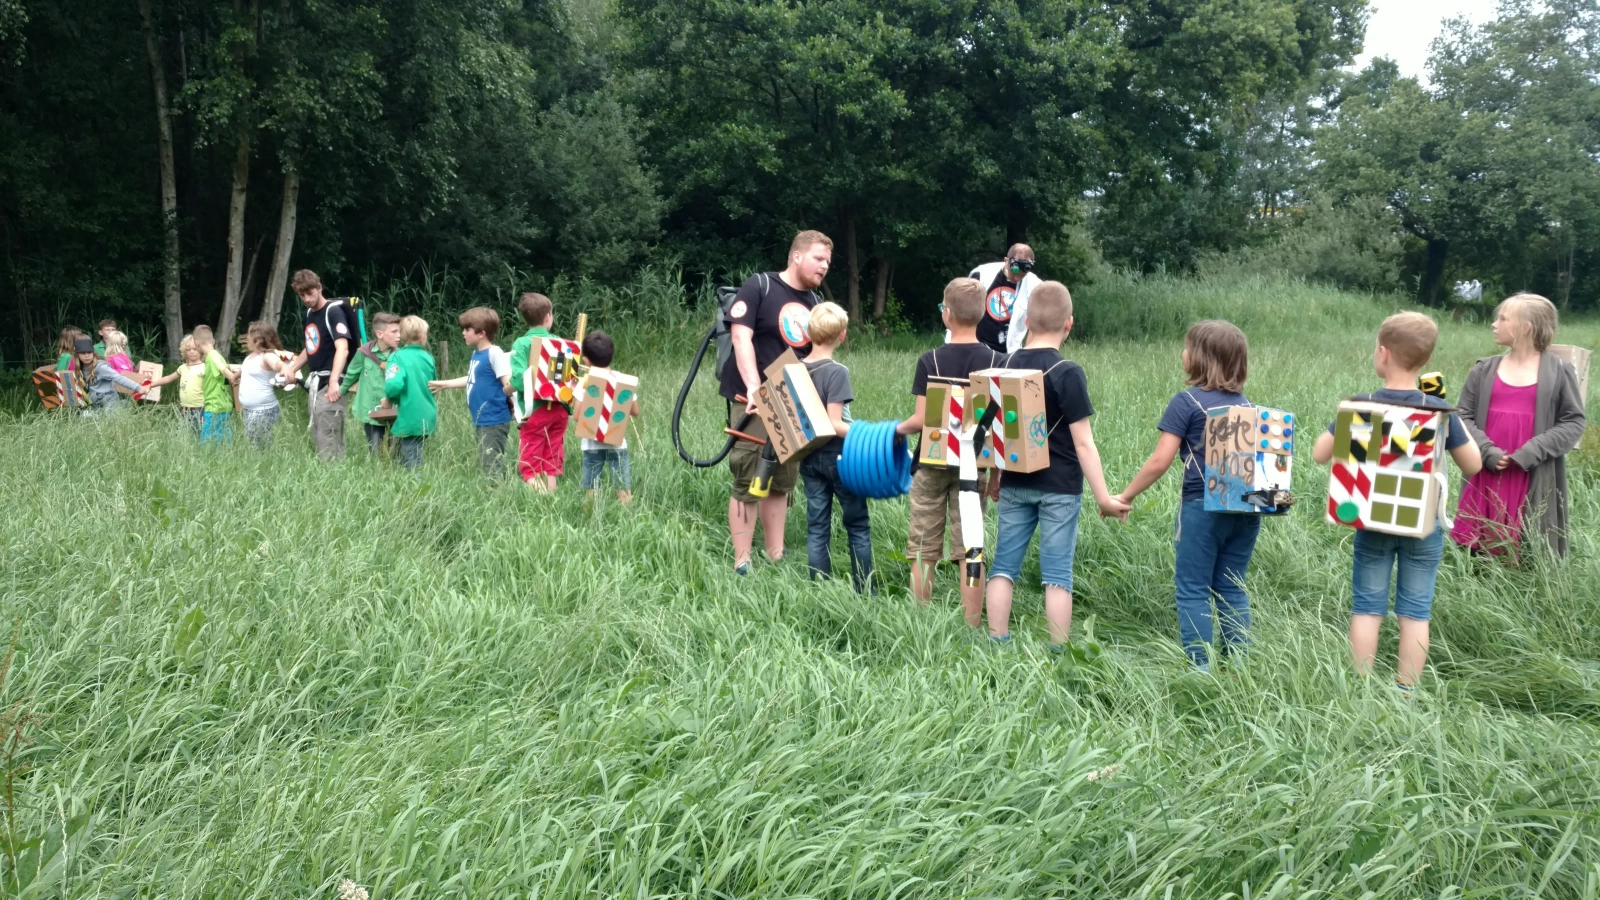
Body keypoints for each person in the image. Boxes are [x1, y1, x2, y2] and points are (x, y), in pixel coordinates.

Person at [1312, 312, 1483, 696]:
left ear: (1383, 353)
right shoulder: (1437, 411)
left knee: (1367, 607)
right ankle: (1406, 693)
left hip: (1371, 521)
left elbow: (1319, 454)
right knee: (1416, 612)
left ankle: (1359, 689)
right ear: (1425, 359)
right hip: (1423, 526)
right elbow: (1473, 464)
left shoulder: (1361, 406)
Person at [984, 282, 1129, 648]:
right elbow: (1084, 442)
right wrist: (1104, 498)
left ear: (1026, 322)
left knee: (1003, 567)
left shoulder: (1004, 364)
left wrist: (995, 476)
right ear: (1069, 324)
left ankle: (997, 641)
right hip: (1060, 488)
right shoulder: (1068, 372)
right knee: (1057, 575)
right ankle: (1058, 652)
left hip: (1014, 482)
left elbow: (999, 429)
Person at [1114, 320, 1259, 671]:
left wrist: (1126, 495)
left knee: (1193, 588)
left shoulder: (1187, 402)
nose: (1183, 352)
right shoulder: (1249, 407)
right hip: (1246, 509)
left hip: (1201, 509)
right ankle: (1238, 667)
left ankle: (1200, 669)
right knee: (1232, 586)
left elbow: (1159, 461)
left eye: (1187, 347)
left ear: (1200, 359)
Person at [721, 229, 833, 575]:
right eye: (818, 258)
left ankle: (776, 555)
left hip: (792, 399)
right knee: (749, 474)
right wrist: (754, 387)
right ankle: (742, 561)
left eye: (828, 262)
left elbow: (816, 356)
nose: (824, 266)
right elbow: (740, 337)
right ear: (797, 256)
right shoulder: (760, 286)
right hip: (752, 397)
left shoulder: (814, 303)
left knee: (782, 479)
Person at [893, 277, 1004, 621]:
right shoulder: (998, 361)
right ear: (983, 313)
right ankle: (971, 623)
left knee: (923, 546)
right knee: (971, 547)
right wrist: (997, 475)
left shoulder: (930, 360)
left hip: (931, 463)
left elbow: (921, 419)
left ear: (947, 314)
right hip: (975, 466)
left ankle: (920, 618)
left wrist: (893, 431)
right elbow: (1000, 427)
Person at [1452, 293, 1587, 558]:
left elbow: (1573, 421)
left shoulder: (1560, 372)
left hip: (1531, 471)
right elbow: (1462, 416)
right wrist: (1486, 450)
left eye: (1503, 319)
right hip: (1486, 470)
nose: (1494, 324)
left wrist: (1530, 452)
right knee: (1474, 552)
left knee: (1528, 548)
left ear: (1526, 327)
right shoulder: (1483, 370)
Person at [796, 302, 872, 591]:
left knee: (817, 528)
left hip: (808, 458)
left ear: (808, 332)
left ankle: (820, 590)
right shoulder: (836, 371)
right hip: (841, 457)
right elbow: (834, 423)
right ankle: (865, 591)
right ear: (842, 335)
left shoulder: (795, 369)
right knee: (858, 526)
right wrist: (868, 435)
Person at [430, 307, 514, 479]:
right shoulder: (477, 353)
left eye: (467, 329)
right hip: (481, 419)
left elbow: (508, 383)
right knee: (486, 461)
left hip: (493, 419)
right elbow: (473, 378)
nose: (463, 333)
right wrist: (446, 384)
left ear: (482, 333)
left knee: (491, 466)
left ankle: (495, 492)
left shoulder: (494, 353)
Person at [279, 269, 354, 461]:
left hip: (332, 380)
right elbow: (310, 347)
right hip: (316, 382)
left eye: (310, 293)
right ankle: (327, 471)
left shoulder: (333, 312)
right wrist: (291, 370)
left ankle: (333, 472)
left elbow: (343, 348)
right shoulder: (308, 315)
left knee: (328, 428)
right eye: (301, 295)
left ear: (319, 288)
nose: (306, 299)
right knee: (319, 428)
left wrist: (334, 381)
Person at [508, 292, 569, 490]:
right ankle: (551, 495)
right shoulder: (560, 342)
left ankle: (541, 499)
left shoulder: (521, 343)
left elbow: (519, 379)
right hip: (559, 409)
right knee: (552, 456)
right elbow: (567, 377)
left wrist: (507, 387)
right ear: (548, 316)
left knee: (530, 461)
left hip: (534, 410)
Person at [575, 330, 637, 503]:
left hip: (591, 446)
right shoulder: (623, 380)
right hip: (617, 444)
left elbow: (577, 417)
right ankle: (628, 515)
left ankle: (591, 516)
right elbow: (635, 411)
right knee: (623, 489)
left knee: (591, 489)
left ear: (586, 360)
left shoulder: (585, 382)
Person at [342, 312, 402, 458]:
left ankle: (395, 471)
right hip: (371, 410)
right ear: (379, 334)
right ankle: (377, 471)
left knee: (395, 452)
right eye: (394, 332)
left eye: (399, 331)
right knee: (375, 451)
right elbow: (351, 374)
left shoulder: (400, 356)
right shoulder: (364, 353)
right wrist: (339, 392)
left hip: (395, 410)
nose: (399, 336)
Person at [382, 316, 438, 471]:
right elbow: (433, 383)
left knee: (411, 459)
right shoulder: (428, 357)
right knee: (411, 452)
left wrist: (389, 398)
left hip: (409, 415)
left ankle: (415, 483)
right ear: (422, 337)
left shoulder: (397, 357)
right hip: (427, 414)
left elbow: (393, 385)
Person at [963, 244, 1041, 354]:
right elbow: (963, 312)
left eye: (1022, 275)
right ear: (1006, 260)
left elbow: (1038, 324)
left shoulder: (1035, 286)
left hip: (1010, 354)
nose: (1017, 278)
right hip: (977, 349)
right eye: (1014, 273)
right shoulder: (981, 274)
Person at [239, 321, 287, 449]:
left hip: (263, 410)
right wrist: (235, 376)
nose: (247, 337)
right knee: (254, 444)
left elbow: (277, 363)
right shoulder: (250, 357)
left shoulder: (267, 356)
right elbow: (245, 370)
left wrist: (284, 367)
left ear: (258, 338)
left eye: (249, 334)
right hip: (249, 410)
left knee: (259, 447)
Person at [146, 335, 206, 434]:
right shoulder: (182, 368)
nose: (191, 352)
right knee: (183, 435)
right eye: (188, 349)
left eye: (195, 349)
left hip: (200, 409)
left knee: (199, 434)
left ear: (201, 350)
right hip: (184, 409)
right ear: (184, 352)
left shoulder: (204, 367)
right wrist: (150, 385)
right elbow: (168, 378)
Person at [68, 336, 145, 413]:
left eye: (89, 352)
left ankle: (124, 404)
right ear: (77, 355)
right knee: (82, 415)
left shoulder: (101, 367)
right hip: (94, 402)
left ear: (93, 353)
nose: (87, 355)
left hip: (109, 400)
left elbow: (118, 377)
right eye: (83, 353)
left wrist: (139, 388)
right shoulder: (80, 367)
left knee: (107, 415)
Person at [193, 325, 237, 443]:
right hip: (224, 404)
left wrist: (233, 377)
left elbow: (222, 369)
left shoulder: (212, 356)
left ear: (196, 343)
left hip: (214, 406)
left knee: (206, 442)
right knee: (224, 439)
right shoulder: (218, 355)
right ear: (213, 341)